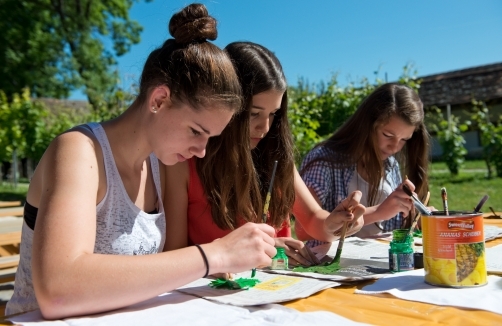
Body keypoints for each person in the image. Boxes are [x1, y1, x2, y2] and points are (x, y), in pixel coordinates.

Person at [6, 4, 278, 319]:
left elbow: (166, 267)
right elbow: (57, 291)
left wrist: (223, 262)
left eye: (210, 138)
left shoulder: (164, 165)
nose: (201, 150)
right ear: (159, 100)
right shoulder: (79, 152)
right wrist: (214, 255)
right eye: (195, 131)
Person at [164, 41, 365, 268]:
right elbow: (174, 253)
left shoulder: (274, 155)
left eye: (274, 114)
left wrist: (335, 223)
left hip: (280, 288)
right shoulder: (185, 160)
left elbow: (312, 219)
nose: (265, 127)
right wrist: (263, 250)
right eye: (253, 114)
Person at [299, 83, 430, 247]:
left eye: (404, 139)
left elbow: (390, 230)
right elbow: (303, 230)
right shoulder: (325, 161)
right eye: (388, 135)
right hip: (331, 267)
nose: (395, 147)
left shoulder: (391, 165)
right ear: (367, 125)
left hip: (380, 266)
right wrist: (379, 212)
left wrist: (416, 219)